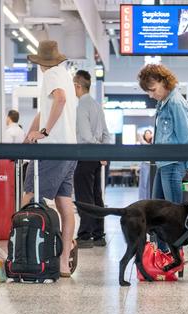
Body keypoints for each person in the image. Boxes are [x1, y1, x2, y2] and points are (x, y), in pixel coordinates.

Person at [22, 40, 79, 277]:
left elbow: (61, 99)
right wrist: (29, 134)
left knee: (28, 198)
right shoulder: (65, 74)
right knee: (65, 204)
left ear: (40, 63)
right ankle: (64, 261)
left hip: (52, 149)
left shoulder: (51, 76)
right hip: (69, 150)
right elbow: (44, 111)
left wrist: (43, 133)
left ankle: (25, 253)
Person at [137, 63, 188, 251]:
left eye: (153, 90)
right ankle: (162, 254)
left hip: (173, 164)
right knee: (156, 212)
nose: (151, 95)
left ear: (164, 82)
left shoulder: (174, 102)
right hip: (164, 163)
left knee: (173, 216)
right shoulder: (163, 102)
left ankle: (174, 257)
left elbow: (186, 135)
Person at [73, 70, 111, 248]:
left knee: (84, 196)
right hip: (96, 159)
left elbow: (87, 136)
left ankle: (85, 235)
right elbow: (106, 134)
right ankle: (98, 235)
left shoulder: (82, 105)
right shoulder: (96, 105)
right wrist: (103, 151)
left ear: (78, 86)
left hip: (85, 155)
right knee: (97, 196)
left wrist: (96, 148)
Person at [138, 129, 153, 200]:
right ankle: (142, 199)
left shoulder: (153, 143)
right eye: (146, 133)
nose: (147, 135)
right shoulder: (143, 143)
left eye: (149, 133)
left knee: (149, 184)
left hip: (151, 165)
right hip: (145, 165)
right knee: (143, 183)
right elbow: (140, 138)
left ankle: (148, 199)